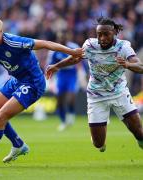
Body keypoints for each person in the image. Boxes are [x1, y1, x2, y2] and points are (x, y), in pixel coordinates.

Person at [0, 16, 84, 167]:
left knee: (0, 116)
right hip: (16, 80)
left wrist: (72, 51)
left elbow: (46, 43)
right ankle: (18, 144)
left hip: (33, 83)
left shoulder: (15, 42)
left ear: (1, 31)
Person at [46, 17, 143, 152]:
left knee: (139, 133)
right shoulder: (90, 45)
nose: (102, 38)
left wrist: (128, 64)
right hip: (96, 96)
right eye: (99, 35)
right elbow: (75, 58)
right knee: (98, 145)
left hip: (119, 93)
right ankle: (101, 129)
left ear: (114, 32)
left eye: (106, 34)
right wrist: (57, 66)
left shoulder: (123, 46)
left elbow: (140, 65)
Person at [48, 31, 80, 131]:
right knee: (60, 101)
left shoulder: (73, 46)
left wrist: (84, 74)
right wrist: (50, 80)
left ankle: (71, 114)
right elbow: (50, 65)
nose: (62, 39)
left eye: (63, 37)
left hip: (72, 75)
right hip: (61, 75)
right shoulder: (54, 50)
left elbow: (80, 60)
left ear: (67, 37)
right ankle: (63, 122)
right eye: (60, 38)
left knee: (71, 98)